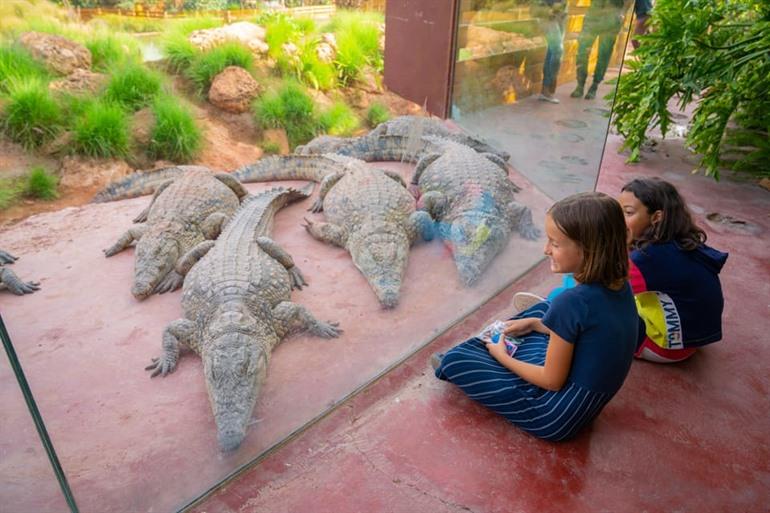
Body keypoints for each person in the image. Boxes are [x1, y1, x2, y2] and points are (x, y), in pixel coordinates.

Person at [433, 192, 643, 441]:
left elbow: (552, 381)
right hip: (588, 401)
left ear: (588, 250)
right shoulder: (620, 281)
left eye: (555, 244)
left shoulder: (573, 302)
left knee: (457, 360)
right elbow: (610, 332)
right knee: (543, 312)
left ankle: (480, 353)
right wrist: (535, 324)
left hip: (554, 414)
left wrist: (501, 356)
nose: (546, 250)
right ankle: (503, 342)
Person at [620, 178, 728, 363]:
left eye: (628, 213)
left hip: (665, 347)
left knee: (593, 316)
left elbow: (602, 295)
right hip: (692, 337)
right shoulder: (678, 241)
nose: (618, 220)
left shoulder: (644, 260)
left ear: (656, 217)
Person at [570, 0, 627, 100]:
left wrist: (622, 12)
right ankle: (580, 84)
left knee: (603, 54)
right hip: (593, 15)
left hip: (612, 17)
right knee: (582, 50)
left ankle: (594, 86)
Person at [534, 0, 568, 104]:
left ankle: (545, 90)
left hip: (562, 12)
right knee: (558, 50)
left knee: (552, 50)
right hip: (547, 12)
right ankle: (550, 84)